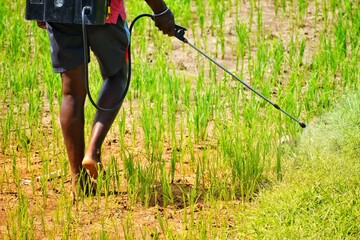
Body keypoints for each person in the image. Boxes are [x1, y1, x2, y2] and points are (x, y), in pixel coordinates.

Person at [42, 0, 175, 195]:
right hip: (102, 10)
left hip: (58, 8)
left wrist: (39, 9)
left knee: (71, 93)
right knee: (118, 76)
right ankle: (93, 151)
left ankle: (79, 181)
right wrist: (161, 10)